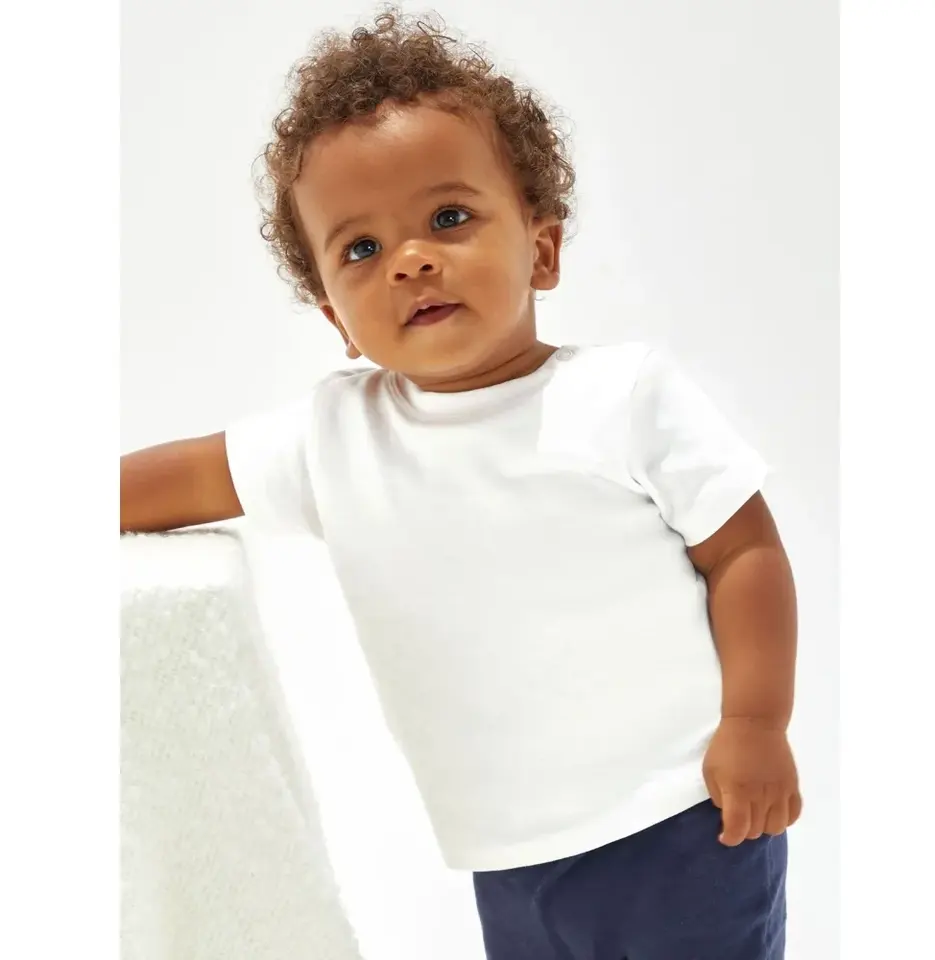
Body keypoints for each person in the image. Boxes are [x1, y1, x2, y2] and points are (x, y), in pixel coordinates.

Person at [120, 9, 801, 959]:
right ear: (337, 318)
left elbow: (745, 554)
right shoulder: (335, 436)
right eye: (361, 249)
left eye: (448, 217)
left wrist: (756, 723)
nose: (411, 259)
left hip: (685, 816)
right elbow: (180, 477)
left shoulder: (624, 397)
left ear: (542, 249)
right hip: (508, 856)